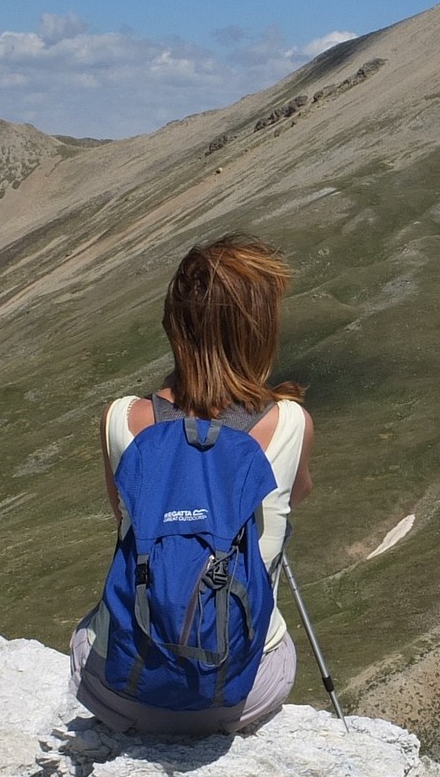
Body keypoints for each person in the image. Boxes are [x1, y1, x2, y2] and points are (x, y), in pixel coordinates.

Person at [69, 233, 316, 735]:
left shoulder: (122, 419)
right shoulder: (291, 423)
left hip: (120, 691)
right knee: (276, 643)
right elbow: (300, 492)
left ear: (174, 323)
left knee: (88, 629)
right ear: (258, 331)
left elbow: (126, 514)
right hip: (239, 694)